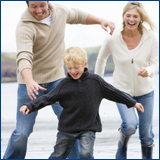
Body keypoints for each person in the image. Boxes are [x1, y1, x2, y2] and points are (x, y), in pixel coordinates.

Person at [3, 1, 116, 159]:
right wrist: (29, 81)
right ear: (27, 5)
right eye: (34, 6)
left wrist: (101, 21)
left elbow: (79, 16)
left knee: (74, 125)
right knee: (22, 133)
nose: (39, 10)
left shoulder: (60, 11)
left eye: (42, 4)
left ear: (48, 2)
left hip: (57, 80)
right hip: (30, 84)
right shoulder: (24, 26)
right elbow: (24, 56)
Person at [19, 47, 144, 159]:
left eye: (76, 67)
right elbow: (47, 98)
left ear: (84, 64)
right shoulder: (63, 85)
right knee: (58, 155)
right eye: (69, 68)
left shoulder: (96, 82)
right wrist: (29, 106)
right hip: (67, 129)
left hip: (88, 128)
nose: (73, 71)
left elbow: (114, 92)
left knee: (86, 154)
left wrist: (132, 102)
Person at [95, 1, 158, 159]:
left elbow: (156, 62)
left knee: (146, 135)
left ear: (140, 18)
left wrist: (149, 70)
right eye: (128, 15)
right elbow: (101, 60)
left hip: (145, 92)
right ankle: (122, 142)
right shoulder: (113, 38)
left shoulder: (150, 37)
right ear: (123, 17)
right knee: (130, 125)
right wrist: (97, 82)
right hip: (121, 91)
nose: (131, 19)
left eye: (135, 16)